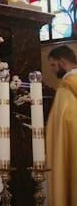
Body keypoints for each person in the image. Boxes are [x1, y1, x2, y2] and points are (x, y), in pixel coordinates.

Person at [46, 45, 77, 206]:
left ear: (63, 61)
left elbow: (62, 123)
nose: (52, 70)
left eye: (53, 65)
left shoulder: (66, 88)